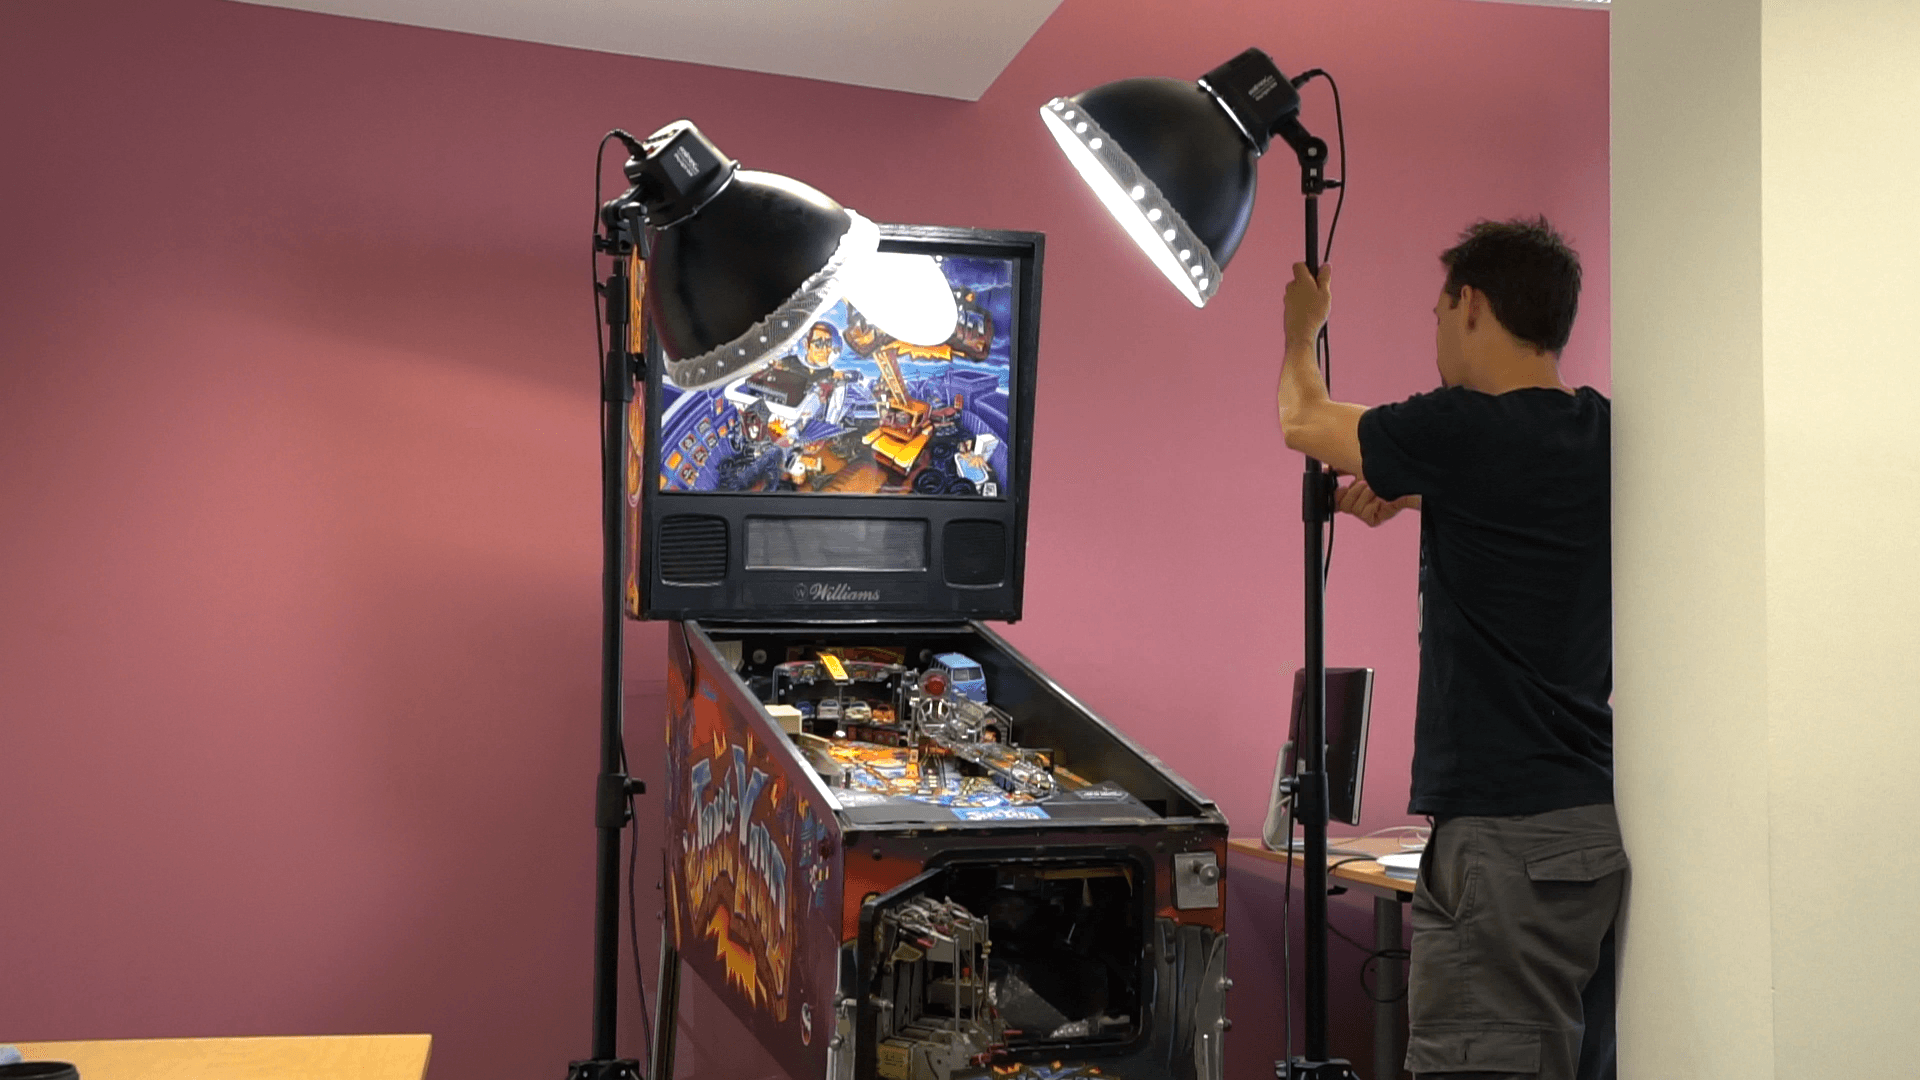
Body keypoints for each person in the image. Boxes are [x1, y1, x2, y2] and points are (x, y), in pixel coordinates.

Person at [1276, 217, 1623, 1080]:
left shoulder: (1465, 427)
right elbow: (1526, 513)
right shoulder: (1599, 433)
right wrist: (1426, 495)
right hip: (1590, 827)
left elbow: (1304, 420)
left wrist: (1301, 330)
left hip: (1501, 840)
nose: (1435, 331)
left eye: (1437, 311)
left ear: (1471, 304)